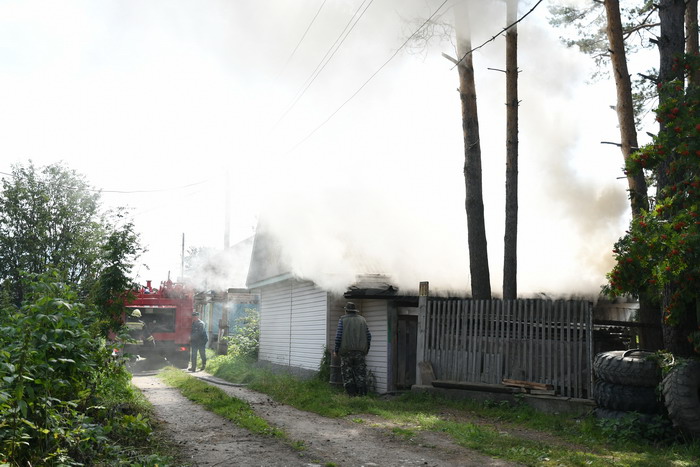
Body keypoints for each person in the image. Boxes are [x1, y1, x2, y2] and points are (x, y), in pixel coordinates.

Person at [333, 302, 371, 396]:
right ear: (355, 311)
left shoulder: (342, 319)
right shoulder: (363, 320)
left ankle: (351, 395)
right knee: (360, 374)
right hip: (360, 352)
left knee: (347, 374)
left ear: (346, 310)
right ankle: (362, 395)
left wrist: (336, 350)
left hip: (346, 352)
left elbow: (338, 337)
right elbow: (369, 336)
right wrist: (366, 350)